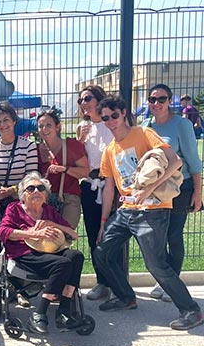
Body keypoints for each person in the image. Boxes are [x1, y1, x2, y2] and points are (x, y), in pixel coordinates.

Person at [94, 95, 202, 330]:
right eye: (105, 118)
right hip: (126, 211)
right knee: (102, 252)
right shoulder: (110, 150)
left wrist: (149, 190)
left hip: (152, 209)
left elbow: (175, 162)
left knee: (156, 264)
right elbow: (110, 188)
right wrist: (103, 222)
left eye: (114, 115)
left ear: (123, 113)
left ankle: (191, 310)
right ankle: (126, 297)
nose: (110, 121)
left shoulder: (143, 133)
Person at [0, 172, 84, 335]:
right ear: (23, 195)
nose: (36, 191)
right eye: (31, 188)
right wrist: (34, 234)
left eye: (40, 188)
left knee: (76, 256)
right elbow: (3, 231)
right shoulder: (14, 209)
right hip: (24, 254)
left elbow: (73, 234)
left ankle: (64, 310)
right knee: (63, 264)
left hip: (50, 253)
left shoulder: (49, 211)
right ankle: (39, 313)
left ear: (46, 195)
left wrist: (53, 224)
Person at [142, 84, 203, 302]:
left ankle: (172, 282)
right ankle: (164, 278)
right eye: (152, 99)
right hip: (154, 190)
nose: (156, 103)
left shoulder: (182, 125)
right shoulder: (145, 125)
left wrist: (198, 191)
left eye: (161, 99)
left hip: (180, 188)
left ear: (170, 101)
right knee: (155, 237)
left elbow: (194, 162)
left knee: (174, 235)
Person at [0, 101, 39, 307]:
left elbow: (32, 176)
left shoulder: (28, 146)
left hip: (22, 204)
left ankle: (22, 287)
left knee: (22, 244)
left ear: (14, 121)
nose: (2, 124)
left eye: (6, 120)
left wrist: (12, 190)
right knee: (5, 244)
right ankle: (11, 287)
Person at [75, 85, 119, 301]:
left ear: (98, 99)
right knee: (94, 234)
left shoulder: (111, 123)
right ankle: (102, 282)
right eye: (81, 100)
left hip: (111, 185)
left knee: (113, 234)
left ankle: (118, 283)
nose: (84, 103)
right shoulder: (82, 127)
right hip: (89, 185)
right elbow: (77, 158)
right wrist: (80, 140)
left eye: (88, 98)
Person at [37, 108, 89, 229]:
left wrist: (65, 169)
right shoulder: (35, 150)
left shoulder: (71, 145)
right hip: (44, 201)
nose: (44, 129)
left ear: (58, 127)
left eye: (48, 125)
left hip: (68, 198)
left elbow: (86, 171)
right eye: (40, 126)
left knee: (63, 236)